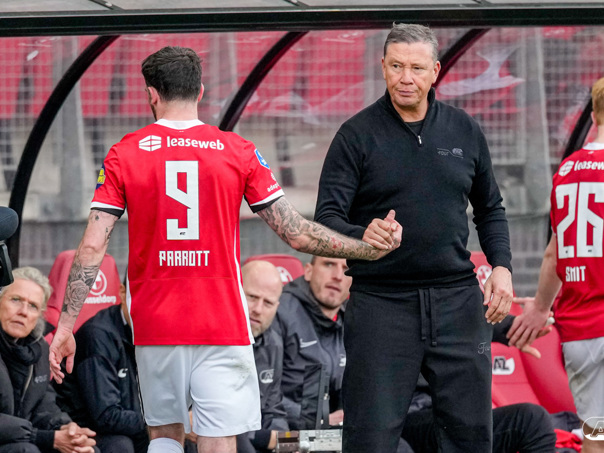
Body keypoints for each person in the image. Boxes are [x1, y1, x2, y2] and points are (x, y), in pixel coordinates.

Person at [48, 46, 401, 453]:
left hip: (156, 324)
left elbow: (93, 246)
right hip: (222, 321)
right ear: (200, 91)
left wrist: (65, 327)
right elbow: (297, 234)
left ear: (151, 94)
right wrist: (366, 249)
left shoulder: (124, 153)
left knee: (165, 436)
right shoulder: (238, 150)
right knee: (219, 439)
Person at [314, 23, 514, 452]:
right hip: (381, 304)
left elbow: (490, 209)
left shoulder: (464, 130)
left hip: (457, 301)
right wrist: (362, 234)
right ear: (382, 66)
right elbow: (327, 217)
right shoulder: (355, 135)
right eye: (397, 66)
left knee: (470, 436)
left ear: (436, 70)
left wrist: (501, 267)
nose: (406, 78)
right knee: (370, 438)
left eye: (417, 68)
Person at [508, 76, 604, 453]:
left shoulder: (565, 172)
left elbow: (554, 254)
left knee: (595, 435)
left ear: (594, 115)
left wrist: (540, 308)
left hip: (579, 334)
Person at [403, 316, 557, 453]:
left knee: (533, 420)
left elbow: (455, 315)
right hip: (401, 418)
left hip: (439, 407)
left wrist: (516, 327)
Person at [0, 267, 97, 453]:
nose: (23, 312)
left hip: (22, 438)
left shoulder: (39, 349)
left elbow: (44, 405)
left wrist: (66, 429)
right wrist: (43, 437)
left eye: (33, 306)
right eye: (15, 300)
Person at [53, 278, 149, 453]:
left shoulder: (157, 332)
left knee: (178, 440)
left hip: (129, 423)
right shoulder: (97, 336)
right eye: (141, 295)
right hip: (83, 428)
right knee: (122, 445)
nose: (148, 306)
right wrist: (169, 421)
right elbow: (106, 416)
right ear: (122, 292)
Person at [275, 256, 351, 430]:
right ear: (308, 271)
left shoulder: (354, 319)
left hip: (332, 428)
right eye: (329, 264)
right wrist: (319, 419)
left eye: (346, 269)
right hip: (286, 429)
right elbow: (262, 391)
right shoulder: (278, 311)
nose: (338, 276)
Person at [237, 260, 288, 453]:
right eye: (252, 297)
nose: (258, 309)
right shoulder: (208, 340)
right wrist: (264, 438)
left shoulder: (273, 344)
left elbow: (273, 409)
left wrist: (287, 444)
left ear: (277, 306)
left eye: (268, 303)